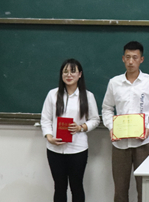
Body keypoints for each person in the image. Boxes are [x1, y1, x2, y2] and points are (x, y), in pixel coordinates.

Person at [102, 41, 149, 202]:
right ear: (123, 58)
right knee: (120, 190)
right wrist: (112, 127)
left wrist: (148, 129)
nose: (130, 61)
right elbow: (107, 108)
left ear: (141, 59)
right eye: (127, 57)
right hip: (120, 144)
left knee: (145, 188)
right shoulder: (114, 83)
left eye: (135, 57)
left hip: (143, 143)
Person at [40, 58, 100, 202]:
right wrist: (49, 136)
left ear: (80, 74)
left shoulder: (88, 96)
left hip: (78, 149)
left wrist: (81, 127)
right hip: (54, 150)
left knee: (76, 186)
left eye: (73, 71)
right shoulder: (52, 94)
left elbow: (95, 119)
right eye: (65, 71)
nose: (68, 75)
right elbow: (45, 119)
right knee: (59, 187)